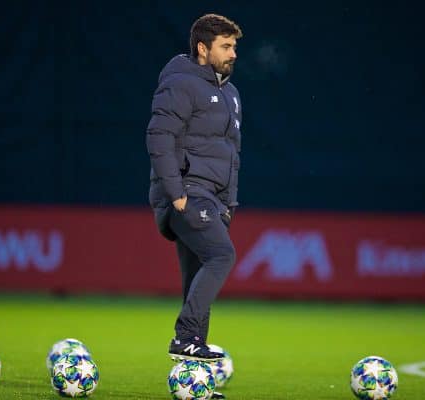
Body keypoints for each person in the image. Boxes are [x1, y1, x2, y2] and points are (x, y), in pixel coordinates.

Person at [146, 13, 243, 397]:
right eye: (226, 46)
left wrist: (228, 203)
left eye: (234, 46)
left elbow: (231, 153)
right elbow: (158, 137)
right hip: (187, 192)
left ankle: (192, 385)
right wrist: (177, 194)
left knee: (195, 284)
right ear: (203, 49)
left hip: (213, 199)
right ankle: (185, 336)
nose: (233, 53)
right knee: (222, 256)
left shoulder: (231, 94)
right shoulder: (181, 84)